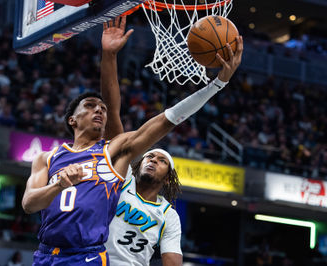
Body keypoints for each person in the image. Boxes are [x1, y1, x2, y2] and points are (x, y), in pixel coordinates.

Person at [21, 16, 243, 266]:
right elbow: (29, 204)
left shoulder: (114, 153)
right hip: (44, 255)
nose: (100, 110)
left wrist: (218, 84)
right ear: (72, 120)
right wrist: (58, 185)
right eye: (91, 106)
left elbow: (165, 120)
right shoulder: (46, 158)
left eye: (102, 109)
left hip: (87, 257)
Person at [100, 17, 183, 265]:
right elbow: (112, 112)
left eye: (160, 160)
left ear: (168, 177)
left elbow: (172, 260)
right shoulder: (121, 180)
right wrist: (109, 56)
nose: (152, 160)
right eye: (149, 156)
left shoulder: (168, 215)